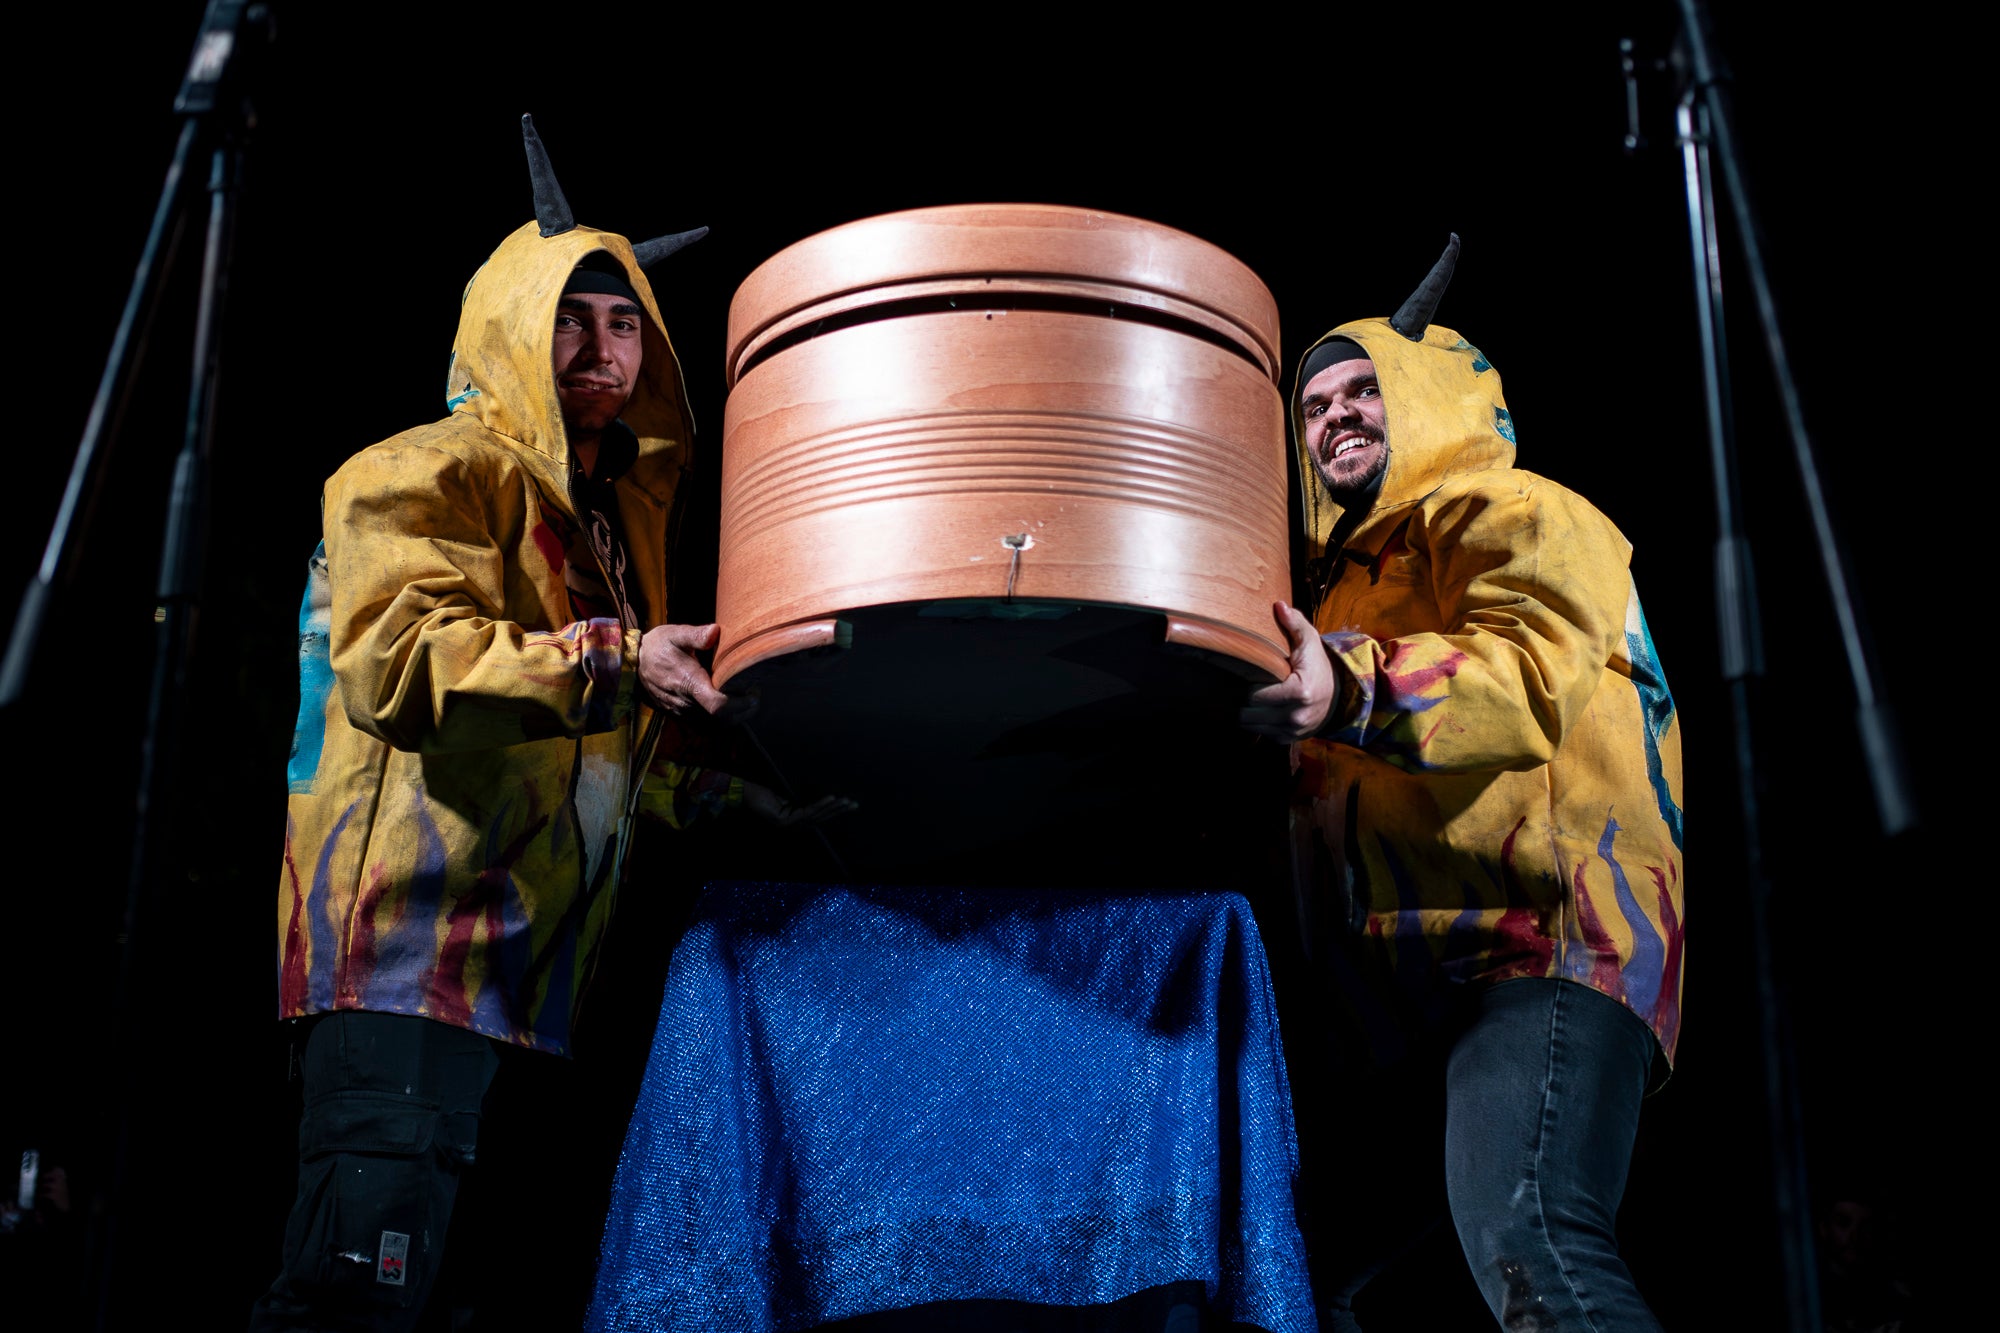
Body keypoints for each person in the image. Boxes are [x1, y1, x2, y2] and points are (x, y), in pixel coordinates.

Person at [249, 116, 843, 1333]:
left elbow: (610, 755)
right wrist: (622, 661)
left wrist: (762, 807)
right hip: (405, 970)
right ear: (509, 324)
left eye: (626, 322)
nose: (600, 347)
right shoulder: (416, 474)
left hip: (535, 992)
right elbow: (402, 665)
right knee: (350, 1311)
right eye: (569, 315)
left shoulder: (610, 536)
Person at [1242, 236, 1684, 1331]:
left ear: (1427, 393)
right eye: (1313, 406)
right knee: (1287, 1266)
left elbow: (1527, 674)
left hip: (1545, 937)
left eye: (1364, 391)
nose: (1336, 415)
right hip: (1404, 989)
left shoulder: (1517, 513)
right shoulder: (1334, 595)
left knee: (1530, 1227)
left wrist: (1342, 689)